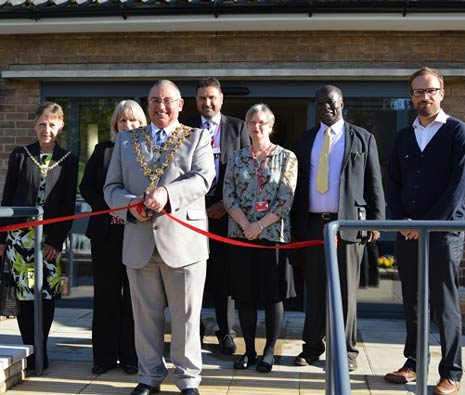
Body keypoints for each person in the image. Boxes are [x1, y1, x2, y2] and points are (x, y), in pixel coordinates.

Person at [104, 80, 215, 395]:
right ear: (148, 104)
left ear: (181, 105)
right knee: (145, 317)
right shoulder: (126, 140)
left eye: (168, 100)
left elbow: (203, 178)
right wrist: (130, 206)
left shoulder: (198, 138)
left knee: (186, 317)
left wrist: (167, 193)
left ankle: (188, 379)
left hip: (184, 241)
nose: (161, 106)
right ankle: (150, 376)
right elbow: (111, 187)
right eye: (155, 100)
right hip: (139, 238)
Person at [292, 85, 385, 372]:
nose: (325, 108)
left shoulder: (361, 137)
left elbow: (374, 181)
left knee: (345, 292)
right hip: (312, 227)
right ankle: (311, 348)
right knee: (315, 290)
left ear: (342, 103)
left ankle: (346, 350)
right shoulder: (306, 140)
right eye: (320, 104)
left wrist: (377, 220)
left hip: (348, 226)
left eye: (330, 103)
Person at [384, 67, 465, 395]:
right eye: (417, 91)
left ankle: (452, 372)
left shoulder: (458, 132)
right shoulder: (404, 135)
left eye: (429, 90)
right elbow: (392, 181)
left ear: (441, 93)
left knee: (445, 304)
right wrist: (401, 219)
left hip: (444, 233)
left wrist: (427, 223)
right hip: (407, 232)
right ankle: (413, 363)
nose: (423, 96)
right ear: (411, 96)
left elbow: (458, 187)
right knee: (413, 303)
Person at [0, 102, 78, 370]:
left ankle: (42, 349)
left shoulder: (68, 159)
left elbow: (68, 204)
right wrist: (1, 238)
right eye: (42, 124)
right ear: (35, 125)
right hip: (19, 238)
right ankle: (30, 350)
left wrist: (56, 241)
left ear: (61, 126)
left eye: (52, 124)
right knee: (24, 295)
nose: (47, 129)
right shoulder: (21, 155)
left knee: (45, 294)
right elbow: (7, 197)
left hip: (49, 241)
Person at [223, 103, 297, 373]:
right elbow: (228, 194)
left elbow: (285, 198)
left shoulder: (287, 157)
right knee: (244, 296)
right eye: (252, 122)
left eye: (262, 122)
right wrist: (246, 226)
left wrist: (260, 226)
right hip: (241, 236)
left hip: (272, 236)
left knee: (273, 295)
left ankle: (269, 352)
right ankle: (250, 351)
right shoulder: (236, 157)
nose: (257, 126)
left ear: (271, 125)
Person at [80, 100, 147, 375]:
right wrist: (112, 209)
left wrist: (128, 213)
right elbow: (87, 187)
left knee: (134, 298)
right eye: (122, 121)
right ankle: (104, 358)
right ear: (115, 125)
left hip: (136, 233)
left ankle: (131, 357)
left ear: (142, 125)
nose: (128, 125)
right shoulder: (103, 151)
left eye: (133, 121)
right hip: (106, 233)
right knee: (106, 296)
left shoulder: (148, 155)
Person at [184, 77, 249, 354]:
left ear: (221, 99)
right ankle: (193, 331)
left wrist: (225, 203)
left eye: (212, 97)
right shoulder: (185, 129)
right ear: (195, 101)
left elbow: (247, 173)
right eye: (201, 98)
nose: (207, 103)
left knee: (224, 277)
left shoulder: (239, 128)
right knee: (190, 274)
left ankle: (226, 332)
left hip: (226, 213)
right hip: (191, 213)